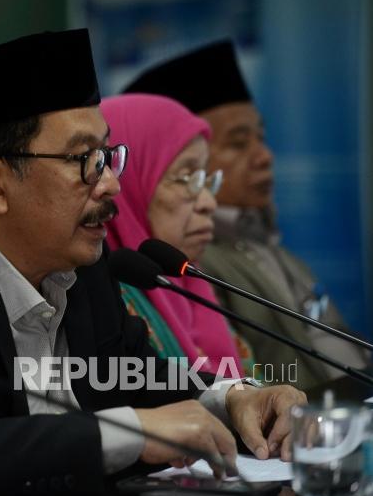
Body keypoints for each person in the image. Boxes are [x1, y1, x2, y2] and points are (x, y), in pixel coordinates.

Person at [0, 30, 305, 496]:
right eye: (84, 160)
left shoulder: (83, 268)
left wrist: (235, 400)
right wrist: (127, 432)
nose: (111, 184)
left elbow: (137, 374)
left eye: (107, 156)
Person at [123, 40, 368, 396]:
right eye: (239, 144)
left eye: (261, 138)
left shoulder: (274, 249)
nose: (264, 156)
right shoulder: (189, 263)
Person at [101, 94, 255, 378]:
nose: (209, 202)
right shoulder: (104, 305)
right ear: (130, 183)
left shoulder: (189, 282)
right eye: (186, 178)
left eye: (207, 179)